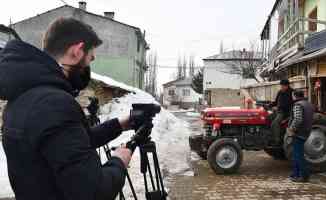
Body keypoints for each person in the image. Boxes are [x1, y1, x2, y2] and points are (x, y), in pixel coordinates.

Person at [0, 18, 133, 200]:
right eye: (90, 58)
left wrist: (120, 124)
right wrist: (119, 161)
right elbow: (94, 192)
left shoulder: (22, 97)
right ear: (77, 51)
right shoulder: (54, 104)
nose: (88, 66)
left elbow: (71, 145)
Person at [287, 90, 313, 183]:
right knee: (296, 154)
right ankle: (295, 174)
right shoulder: (308, 104)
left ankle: (304, 176)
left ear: (295, 96)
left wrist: (291, 129)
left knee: (298, 155)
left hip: (299, 133)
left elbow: (298, 119)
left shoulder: (298, 105)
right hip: (306, 131)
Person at [270, 79, 293, 145]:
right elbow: (276, 102)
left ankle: (277, 140)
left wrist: (278, 107)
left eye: (283, 86)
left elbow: (289, 104)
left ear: (287, 86)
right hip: (278, 111)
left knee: (275, 123)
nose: (281, 87)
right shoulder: (280, 92)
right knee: (268, 119)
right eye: (281, 86)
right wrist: (270, 105)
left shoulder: (291, 92)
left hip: (285, 112)